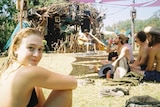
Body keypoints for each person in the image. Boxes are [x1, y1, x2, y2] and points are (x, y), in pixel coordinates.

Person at [0, 28, 77, 107]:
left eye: (40, 49)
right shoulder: (28, 73)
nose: (37, 54)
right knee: (65, 91)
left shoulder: (7, 69)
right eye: (30, 48)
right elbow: (73, 82)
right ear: (15, 49)